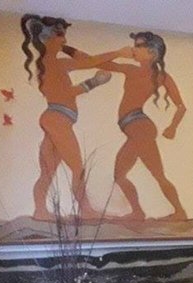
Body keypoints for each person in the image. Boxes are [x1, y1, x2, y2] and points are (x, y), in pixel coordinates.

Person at [21, 14, 133, 220]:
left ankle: (40, 211)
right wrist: (100, 74)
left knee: (47, 171)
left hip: (54, 119)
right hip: (58, 120)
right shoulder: (54, 63)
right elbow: (81, 73)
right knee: (77, 168)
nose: (64, 39)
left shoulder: (49, 63)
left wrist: (67, 49)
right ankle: (86, 210)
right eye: (59, 35)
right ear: (47, 38)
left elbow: (83, 66)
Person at [97, 31, 187, 220]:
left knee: (124, 174)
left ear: (152, 52)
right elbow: (94, 62)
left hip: (139, 128)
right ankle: (172, 211)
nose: (134, 49)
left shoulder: (160, 76)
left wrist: (173, 127)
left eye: (139, 46)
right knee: (152, 175)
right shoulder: (131, 70)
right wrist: (118, 53)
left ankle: (146, 212)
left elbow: (181, 106)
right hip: (138, 128)